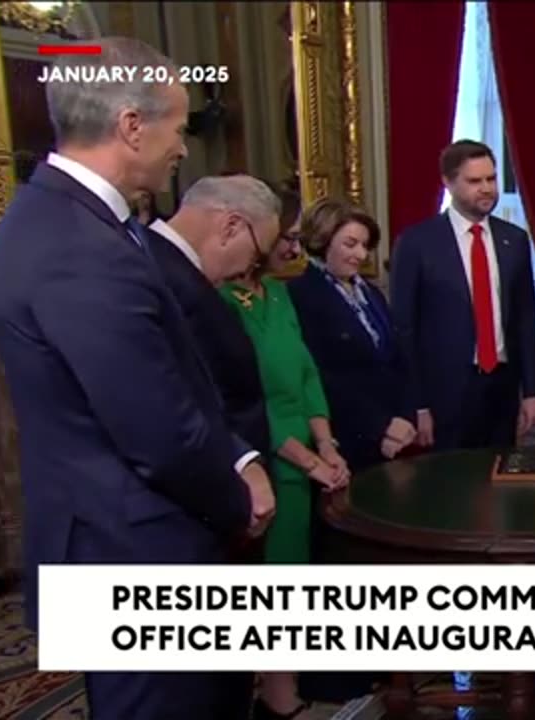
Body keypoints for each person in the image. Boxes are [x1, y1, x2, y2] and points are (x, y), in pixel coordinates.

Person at [0, 37, 274, 719]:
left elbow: (169, 374)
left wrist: (236, 452)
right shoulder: (77, 245)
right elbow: (158, 429)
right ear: (130, 126)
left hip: (118, 539)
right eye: (176, 128)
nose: (183, 147)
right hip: (134, 552)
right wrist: (241, 501)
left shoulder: (60, 219)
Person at [221, 206, 349, 719]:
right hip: (267, 458)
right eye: (287, 239)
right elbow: (247, 402)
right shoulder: (222, 301)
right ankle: (277, 696)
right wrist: (307, 460)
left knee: (303, 575)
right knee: (275, 583)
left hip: (307, 450)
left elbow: (305, 373)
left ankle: (293, 681)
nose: (296, 249)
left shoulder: (279, 293)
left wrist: (328, 443)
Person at [390, 140, 535, 450]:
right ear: (448, 183)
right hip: (445, 393)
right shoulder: (417, 243)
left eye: (491, 179)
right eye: (475, 181)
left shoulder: (514, 240)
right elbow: (404, 330)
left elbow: (526, 321)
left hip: (502, 386)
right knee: (452, 485)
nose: (486, 189)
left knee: (499, 479)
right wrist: (417, 405)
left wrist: (533, 391)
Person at [144, 175, 281, 458]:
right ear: (231, 227)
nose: (247, 269)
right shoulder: (159, 275)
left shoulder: (167, 265)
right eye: (256, 256)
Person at [288, 198, 417, 470]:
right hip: (347, 438)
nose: (361, 254)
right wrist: (381, 426)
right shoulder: (302, 295)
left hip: (394, 438)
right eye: (350, 244)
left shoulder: (371, 293)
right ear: (323, 241)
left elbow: (396, 361)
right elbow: (323, 377)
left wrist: (405, 418)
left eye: (365, 246)